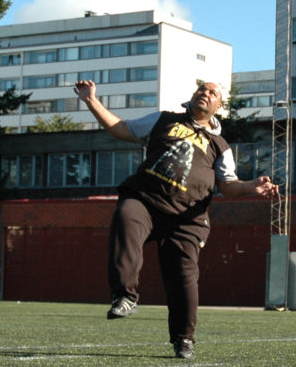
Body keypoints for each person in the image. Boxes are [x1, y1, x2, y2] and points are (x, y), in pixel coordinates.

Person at [74, 80, 278, 360]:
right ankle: (125, 296)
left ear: (219, 106)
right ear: (192, 96)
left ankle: (184, 338)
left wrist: (251, 185)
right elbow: (121, 129)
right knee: (125, 218)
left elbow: (228, 186)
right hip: (145, 198)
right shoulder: (164, 120)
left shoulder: (220, 145)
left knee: (183, 276)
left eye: (212, 93)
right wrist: (90, 100)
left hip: (186, 218)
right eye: (201, 89)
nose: (205, 94)